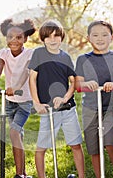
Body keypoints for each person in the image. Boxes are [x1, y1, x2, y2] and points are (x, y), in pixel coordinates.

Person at [28, 19, 85, 178]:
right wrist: (36, 103)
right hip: (47, 110)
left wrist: (65, 98)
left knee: (75, 145)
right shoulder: (38, 54)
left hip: (68, 109)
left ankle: (82, 176)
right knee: (41, 148)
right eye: (48, 37)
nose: (52, 40)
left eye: (56, 36)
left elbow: (73, 82)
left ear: (62, 37)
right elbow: (32, 78)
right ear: (43, 39)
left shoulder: (66, 57)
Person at [75, 20, 113, 178]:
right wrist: (87, 84)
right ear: (88, 38)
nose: (100, 38)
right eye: (96, 35)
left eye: (105, 35)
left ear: (112, 37)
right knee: (94, 147)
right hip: (90, 109)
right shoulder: (83, 59)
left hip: (111, 108)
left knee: (110, 141)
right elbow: (78, 85)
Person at [0, 18, 36, 178]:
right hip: (9, 102)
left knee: (14, 133)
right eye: (10, 37)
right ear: (6, 38)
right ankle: (22, 173)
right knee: (18, 135)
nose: (14, 41)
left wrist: (16, 87)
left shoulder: (30, 53)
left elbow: (27, 72)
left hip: (25, 101)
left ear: (25, 39)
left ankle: (18, 175)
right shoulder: (4, 53)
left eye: (18, 37)